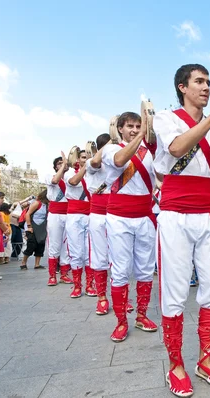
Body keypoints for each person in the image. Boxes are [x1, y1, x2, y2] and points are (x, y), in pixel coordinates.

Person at [153, 63, 210, 394]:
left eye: (209, 82)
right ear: (182, 87)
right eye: (199, 82)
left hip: (209, 215)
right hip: (175, 214)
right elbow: (176, 148)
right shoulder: (166, 118)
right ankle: (175, 364)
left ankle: (205, 359)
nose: (206, 87)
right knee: (175, 291)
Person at [102, 111, 158, 343]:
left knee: (146, 268)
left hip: (145, 216)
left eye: (138, 126)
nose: (135, 130)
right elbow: (120, 161)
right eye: (131, 126)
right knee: (121, 270)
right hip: (119, 218)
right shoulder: (111, 149)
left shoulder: (151, 151)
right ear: (121, 129)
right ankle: (121, 321)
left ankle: (142, 315)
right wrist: (142, 136)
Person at [87, 133, 112, 315]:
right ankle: (102, 297)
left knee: (120, 258)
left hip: (119, 212)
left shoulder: (123, 160)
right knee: (100, 256)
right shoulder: (92, 164)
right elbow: (95, 162)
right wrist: (111, 143)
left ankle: (123, 298)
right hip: (98, 214)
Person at [64, 149, 95, 298]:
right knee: (76, 252)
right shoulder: (69, 172)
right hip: (74, 215)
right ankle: (77, 286)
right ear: (78, 159)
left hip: (91, 215)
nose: (86, 159)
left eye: (88, 157)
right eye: (83, 157)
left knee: (90, 252)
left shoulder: (95, 173)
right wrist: (86, 166)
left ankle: (90, 285)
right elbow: (74, 182)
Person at [44, 155, 72, 286]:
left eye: (65, 163)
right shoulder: (50, 175)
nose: (63, 164)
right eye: (60, 163)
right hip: (55, 214)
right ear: (55, 166)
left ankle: (64, 274)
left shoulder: (71, 177)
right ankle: (52, 276)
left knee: (66, 246)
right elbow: (55, 181)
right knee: (54, 244)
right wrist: (63, 167)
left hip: (69, 213)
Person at [21, 190, 48, 270]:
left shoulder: (47, 205)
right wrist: (29, 226)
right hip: (32, 225)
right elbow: (28, 214)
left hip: (41, 227)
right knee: (31, 244)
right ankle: (23, 262)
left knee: (41, 244)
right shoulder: (37, 203)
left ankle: (37, 264)